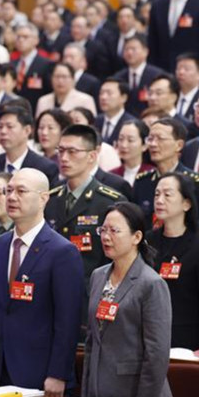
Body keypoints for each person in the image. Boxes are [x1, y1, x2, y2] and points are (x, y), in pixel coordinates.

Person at [82, 201, 172, 397]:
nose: (106, 236)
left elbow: (157, 353)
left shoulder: (151, 283)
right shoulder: (98, 276)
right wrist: (86, 395)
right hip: (100, 396)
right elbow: (92, 338)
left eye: (114, 230)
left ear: (136, 237)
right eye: (102, 230)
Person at [0, 168, 84, 395]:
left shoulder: (62, 251)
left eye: (21, 191)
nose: (11, 197)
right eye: (8, 191)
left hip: (40, 372)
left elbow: (67, 321)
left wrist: (58, 373)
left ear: (43, 198)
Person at [45, 125, 125, 294]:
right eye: (61, 150)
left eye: (72, 151)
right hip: (51, 291)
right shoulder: (50, 199)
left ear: (92, 156)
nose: (64, 158)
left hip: (90, 294)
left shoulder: (109, 201)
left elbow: (118, 258)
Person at [147, 173, 199, 349]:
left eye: (167, 194)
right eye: (157, 194)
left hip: (186, 340)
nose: (159, 200)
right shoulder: (148, 241)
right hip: (149, 335)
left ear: (186, 203)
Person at [0, 100, 59, 222]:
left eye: (9, 127)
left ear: (27, 130)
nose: (3, 131)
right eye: (0, 127)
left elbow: (49, 211)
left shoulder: (45, 167)